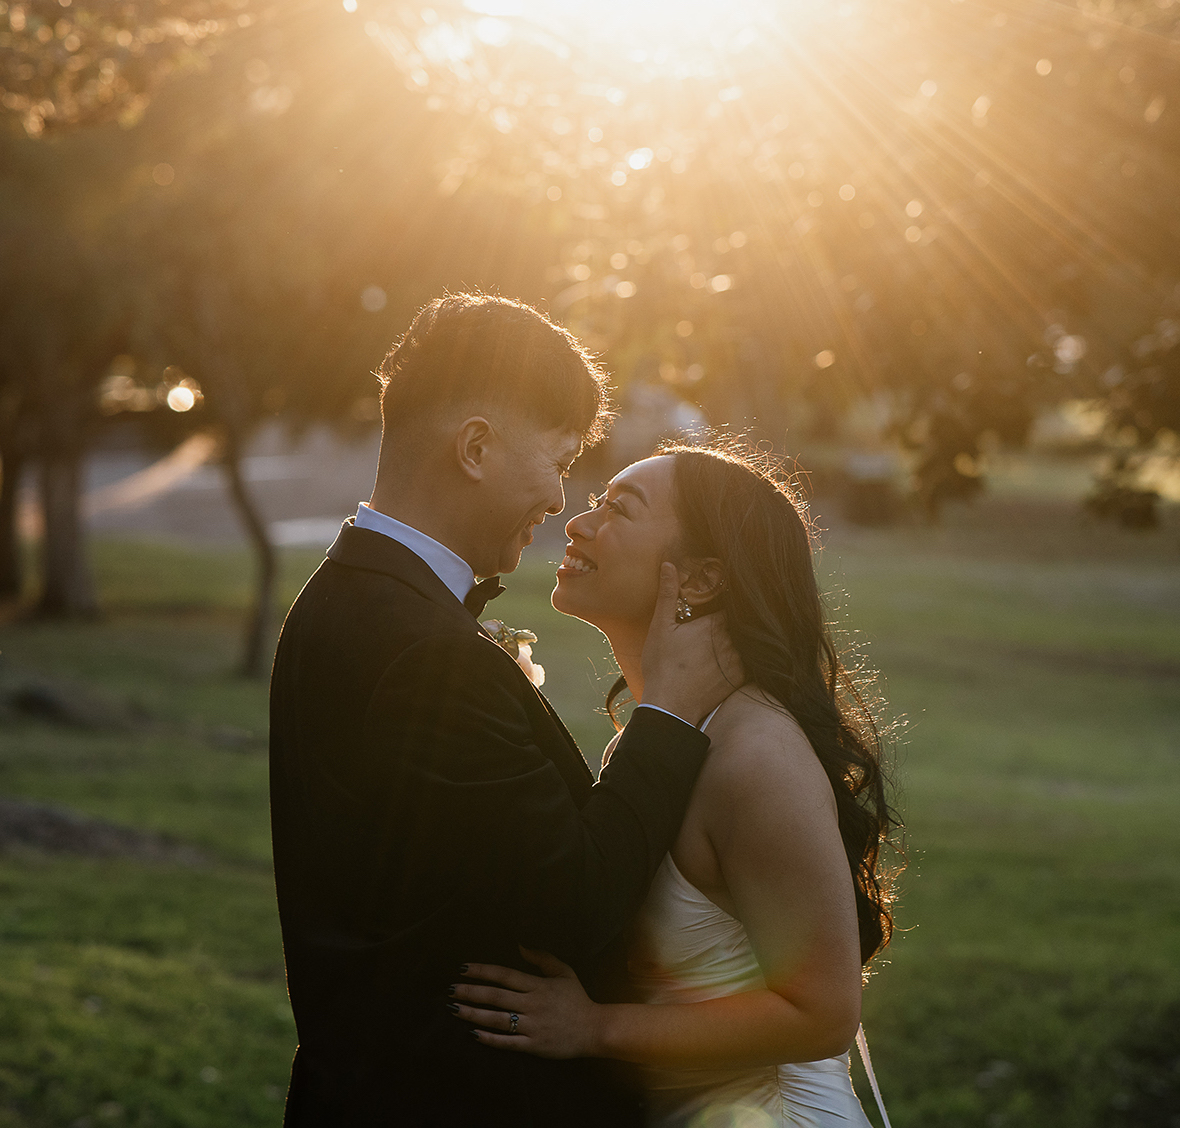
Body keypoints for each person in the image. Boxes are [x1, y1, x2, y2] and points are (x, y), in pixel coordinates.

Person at [268, 294, 740, 1126]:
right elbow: (578, 901)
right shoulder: (420, 649)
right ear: (476, 448)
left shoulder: (349, 600)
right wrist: (667, 712)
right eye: (559, 461)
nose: (560, 500)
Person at [448, 442, 901, 1127]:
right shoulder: (661, 737)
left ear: (700, 580)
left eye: (618, 509)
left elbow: (824, 1015)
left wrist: (594, 1027)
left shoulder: (755, 754)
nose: (578, 522)